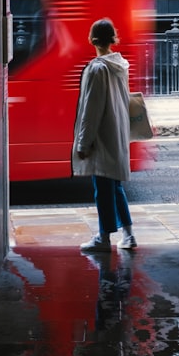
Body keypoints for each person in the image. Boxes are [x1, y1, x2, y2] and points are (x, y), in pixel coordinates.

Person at [72, 18, 136, 252]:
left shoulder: (97, 68)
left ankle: (104, 238)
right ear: (113, 39)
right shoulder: (119, 65)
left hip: (101, 139)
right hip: (116, 133)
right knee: (115, 187)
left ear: (91, 40)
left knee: (103, 191)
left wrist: (83, 142)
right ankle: (128, 235)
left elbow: (92, 109)